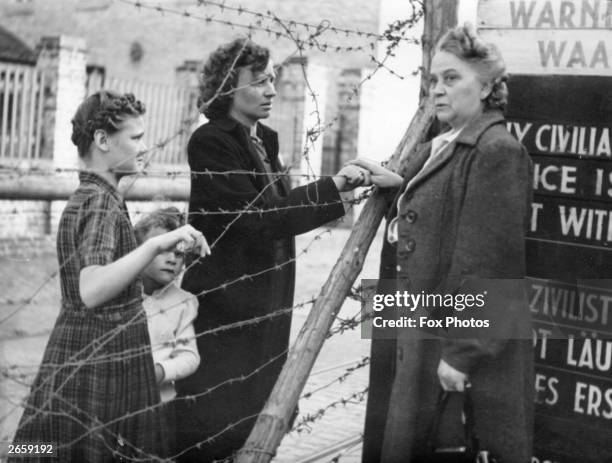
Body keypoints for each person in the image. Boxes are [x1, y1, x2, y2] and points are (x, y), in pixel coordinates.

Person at [175, 38, 367, 461]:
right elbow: (258, 221)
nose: (272, 91)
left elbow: (274, 212)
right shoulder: (211, 142)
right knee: (210, 431)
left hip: (265, 308)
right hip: (226, 313)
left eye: (273, 80)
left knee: (254, 424)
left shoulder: (262, 141)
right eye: (259, 82)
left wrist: (332, 188)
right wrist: (332, 187)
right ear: (228, 88)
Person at [352, 24, 534, 463]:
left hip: (460, 345)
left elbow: (489, 265)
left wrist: (459, 354)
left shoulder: (496, 151)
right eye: (433, 79)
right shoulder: (446, 144)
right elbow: (447, 208)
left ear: (487, 85)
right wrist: (404, 185)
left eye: (452, 78)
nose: (437, 90)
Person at [10, 91, 209, 462]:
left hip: (77, 346)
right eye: (135, 138)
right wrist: (155, 245)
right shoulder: (100, 202)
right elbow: (92, 288)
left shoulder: (89, 196)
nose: (145, 146)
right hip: (102, 354)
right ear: (102, 140)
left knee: (44, 446)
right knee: (89, 450)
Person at [134, 207, 201, 457]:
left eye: (180, 254)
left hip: (159, 405)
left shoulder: (183, 302)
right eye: (163, 250)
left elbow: (189, 355)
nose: (173, 259)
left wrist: (161, 371)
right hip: (114, 402)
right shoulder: (121, 295)